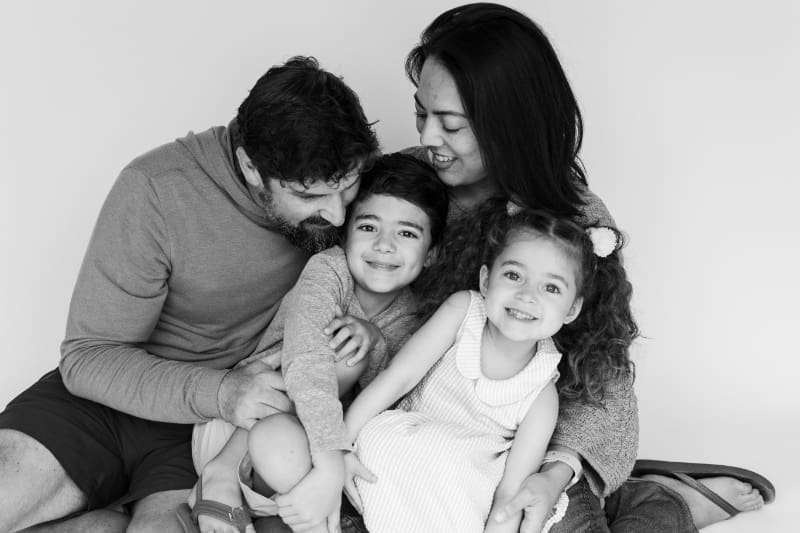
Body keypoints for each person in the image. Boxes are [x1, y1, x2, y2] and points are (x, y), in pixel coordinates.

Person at [399, 3, 774, 532]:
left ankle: (668, 507)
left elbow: (603, 375)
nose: (429, 138)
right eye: (421, 114)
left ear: (510, 125)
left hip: (524, 453)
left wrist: (556, 471)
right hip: (420, 440)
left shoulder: (574, 222)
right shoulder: (398, 187)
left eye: (451, 124)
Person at [0, 56, 380, 532]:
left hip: (202, 438)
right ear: (250, 166)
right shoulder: (156, 189)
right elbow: (87, 358)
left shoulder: (356, 196)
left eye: (348, 188)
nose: (340, 216)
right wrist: (223, 392)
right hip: (103, 405)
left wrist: (370, 331)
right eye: (309, 197)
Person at [178, 154, 449, 533]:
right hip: (242, 423)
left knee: (353, 368)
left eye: (406, 233)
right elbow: (305, 365)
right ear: (345, 233)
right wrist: (329, 465)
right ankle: (221, 471)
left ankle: (286, 512)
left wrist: (376, 345)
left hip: (295, 453)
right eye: (369, 227)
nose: (385, 245)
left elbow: (384, 408)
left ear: (432, 253)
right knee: (342, 352)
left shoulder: (415, 316)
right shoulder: (328, 270)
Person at [343, 208, 637, 533]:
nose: (526, 295)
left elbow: (509, 492)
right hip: (406, 442)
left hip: (465, 476)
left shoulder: (541, 394)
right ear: (486, 280)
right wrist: (338, 445)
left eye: (550, 288)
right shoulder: (462, 311)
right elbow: (399, 377)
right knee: (377, 438)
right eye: (513, 276)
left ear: (572, 309)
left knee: (471, 485)